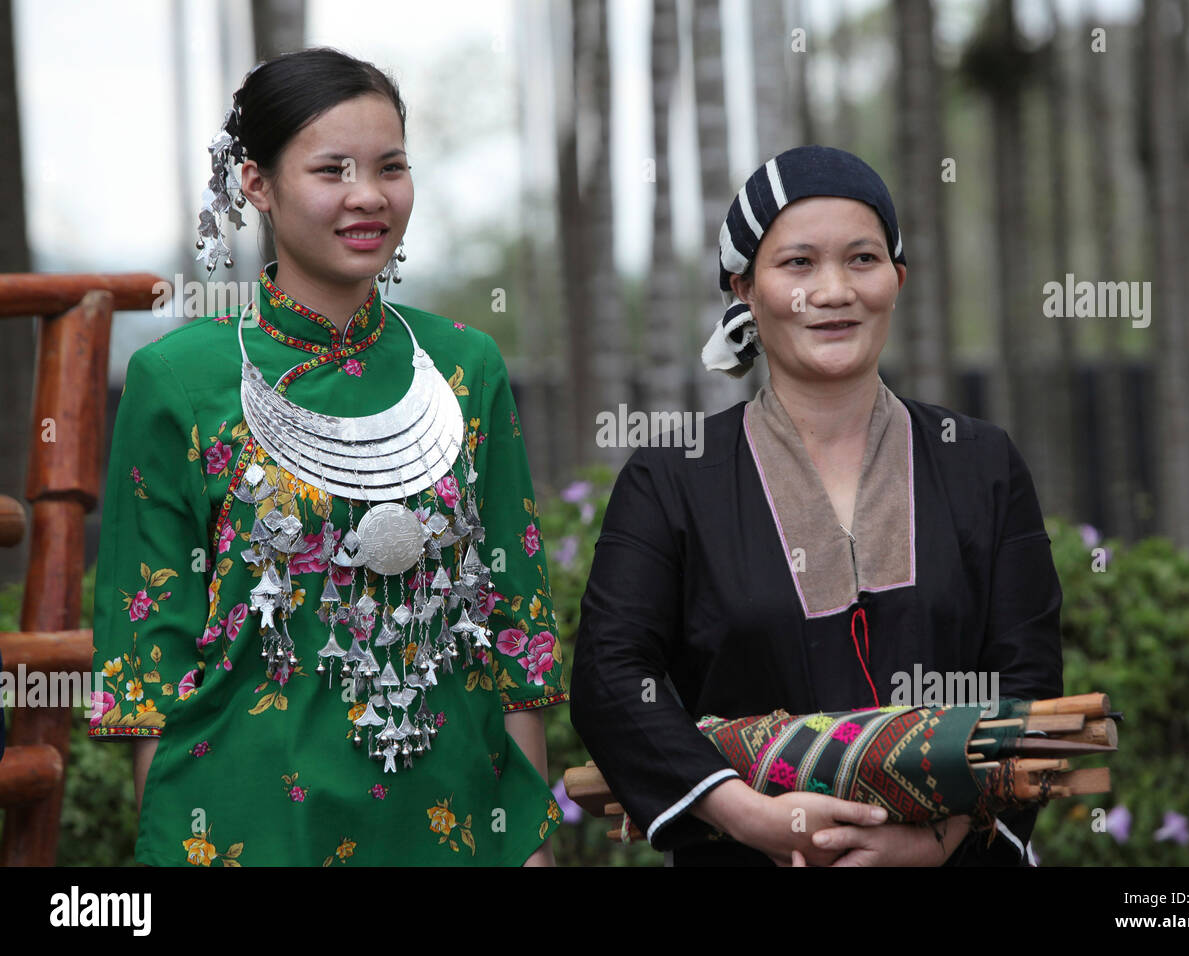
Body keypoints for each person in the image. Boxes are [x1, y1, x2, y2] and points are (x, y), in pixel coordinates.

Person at [89, 48, 566, 866]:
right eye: (332, 169)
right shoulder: (176, 380)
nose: (369, 195)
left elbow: (513, 623)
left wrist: (528, 839)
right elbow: (146, 650)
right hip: (246, 824)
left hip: (456, 819)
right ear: (258, 185)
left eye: (391, 166)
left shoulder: (466, 368)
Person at [570, 145, 1063, 867]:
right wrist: (749, 816)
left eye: (862, 259)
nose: (833, 291)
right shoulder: (672, 480)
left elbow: (1027, 682)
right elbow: (612, 679)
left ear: (897, 279)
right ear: (744, 287)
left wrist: (931, 840)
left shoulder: (978, 461)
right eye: (798, 263)